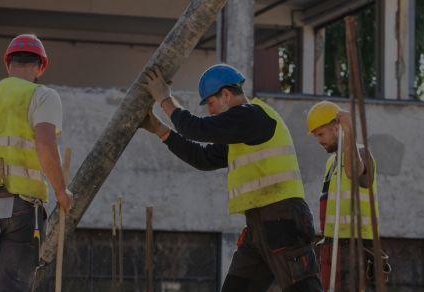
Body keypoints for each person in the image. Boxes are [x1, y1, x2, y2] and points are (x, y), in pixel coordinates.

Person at [137, 64, 324, 292]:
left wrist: (163, 97)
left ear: (225, 94)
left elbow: (196, 128)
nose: (211, 111)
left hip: (282, 218)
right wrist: (162, 132)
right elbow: (203, 158)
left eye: (211, 103)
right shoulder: (242, 131)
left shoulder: (251, 115)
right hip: (260, 225)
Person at [0, 34, 73, 292]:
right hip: (22, 208)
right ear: (41, 67)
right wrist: (60, 191)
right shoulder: (43, 96)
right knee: (14, 287)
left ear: (8, 63)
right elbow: (45, 143)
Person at [306, 101, 382, 291]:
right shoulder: (332, 162)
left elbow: (353, 171)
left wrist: (349, 131)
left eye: (321, 134)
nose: (318, 141)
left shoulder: (362, 152)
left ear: (336, 128)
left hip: (353, 244)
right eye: (316, 136)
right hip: (332, 244)